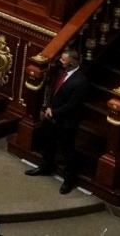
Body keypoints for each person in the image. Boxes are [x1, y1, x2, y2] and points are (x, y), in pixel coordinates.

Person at [26, 48, 88, 194]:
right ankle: (46, 166)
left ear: (71, 62)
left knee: (67, 150)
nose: (60, 61)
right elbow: (53, 91)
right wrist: (46, 108)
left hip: (67, 122)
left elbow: (72, 104)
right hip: (52, 116)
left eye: (63, 60)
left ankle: (69, 178)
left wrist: (54, 112)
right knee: (49, 143)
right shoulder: (61, 73)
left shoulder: (80, 81)